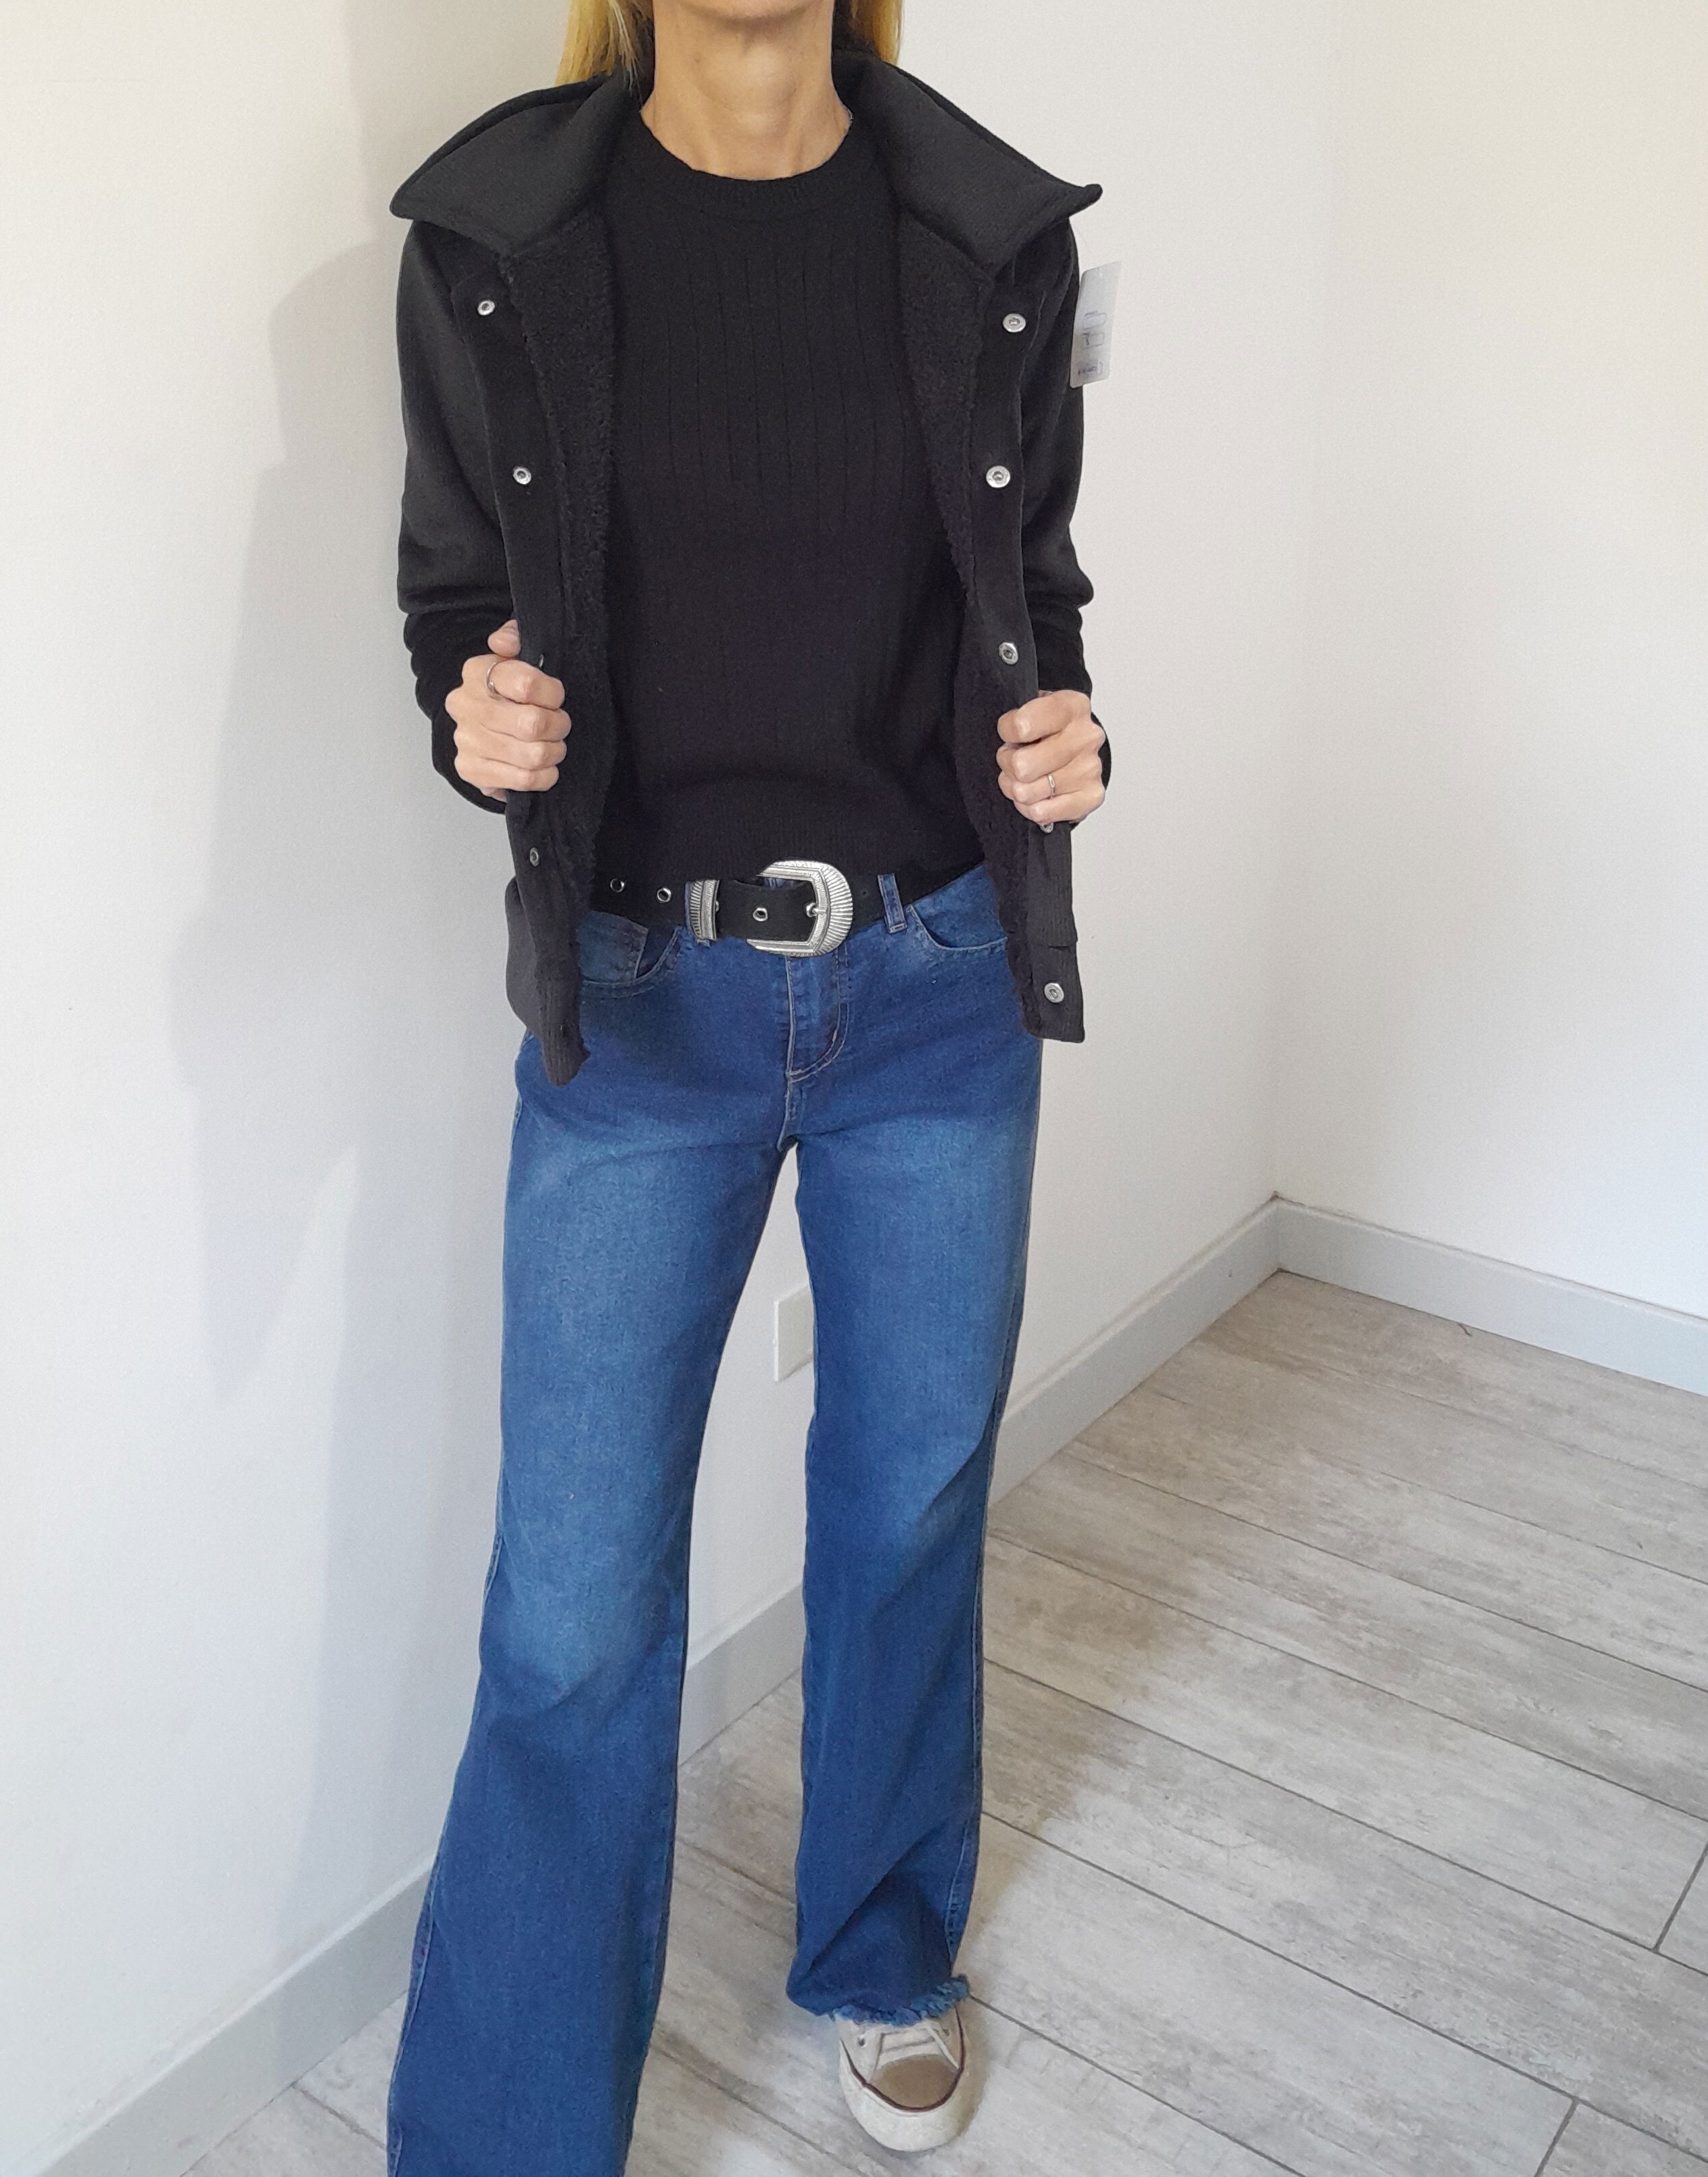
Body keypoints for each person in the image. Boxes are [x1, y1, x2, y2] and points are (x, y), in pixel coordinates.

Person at [383, 1, 1106, 2168]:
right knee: (572, 1610)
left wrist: (1071, 728)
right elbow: (455, 598)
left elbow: (1035, 591)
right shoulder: (494, 237)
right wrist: (474, 713)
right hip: (641, 1009)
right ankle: (507, 2135)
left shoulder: (987, 230)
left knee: (906, 1511)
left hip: (938, 985)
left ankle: (884, 1952)